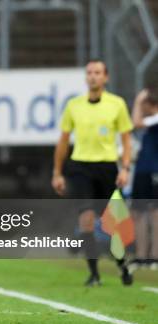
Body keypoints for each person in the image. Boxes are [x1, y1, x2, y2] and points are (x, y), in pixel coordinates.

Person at [51, 59, 133, 287]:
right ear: (86, 77)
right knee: (86, 219)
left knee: (113, 225)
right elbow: (63, 141)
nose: (93, 76)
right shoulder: (74, 106)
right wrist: (57, 172)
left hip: (107, 168)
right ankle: (94, 273)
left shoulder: (117, 104)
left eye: (97, 72)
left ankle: (122, 265)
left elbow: (126, 141)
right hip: (80, 168)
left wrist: (125, 168)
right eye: (89, 72)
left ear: (105, 77)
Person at [129, 88, 158, 272]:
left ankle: (155, 256)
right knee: (138, 212)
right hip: (142, 169)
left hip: (155, 170)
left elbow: (135, 123)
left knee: (155, 213)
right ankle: (141, 256)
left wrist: (138, 100)